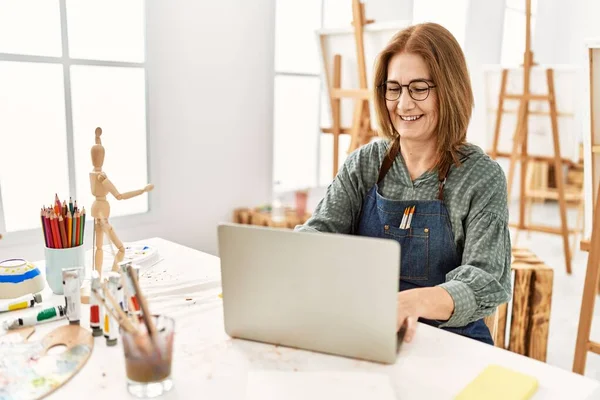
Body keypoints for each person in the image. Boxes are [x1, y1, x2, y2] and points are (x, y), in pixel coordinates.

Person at [295, 22, 511, 345]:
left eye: (419, 88)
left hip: (452, 342)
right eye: (393, 88)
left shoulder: (481, 177)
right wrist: (287, 259)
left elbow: (483, 281)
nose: (403, 104)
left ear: (450, 90)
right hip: (369, 330)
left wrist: (410, 304)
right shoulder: (365, 163)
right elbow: (320, 233)